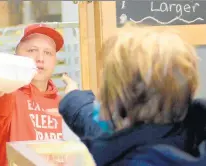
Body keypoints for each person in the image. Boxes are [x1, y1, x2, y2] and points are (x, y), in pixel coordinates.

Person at [59, 24, 206, 166]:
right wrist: (73, 97)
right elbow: (99, 127)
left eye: (105, 90)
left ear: (118, 106)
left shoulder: (133, 159)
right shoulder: (184, 136)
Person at [0, 24, 66, 166]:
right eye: (32, 50)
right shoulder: (6, 93)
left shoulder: (63, 105)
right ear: (17, 57)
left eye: (48, 52)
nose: (40, 58)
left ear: (55, 61)